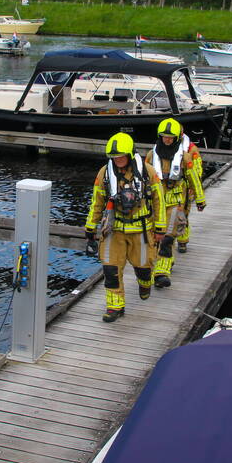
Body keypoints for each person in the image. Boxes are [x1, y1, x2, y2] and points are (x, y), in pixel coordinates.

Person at [85, 132, 166, 322]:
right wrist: (90, 227)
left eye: (121, 155)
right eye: (114, 157)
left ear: (130, 153)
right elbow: (97, 203)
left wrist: (160, 228)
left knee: (144, 267)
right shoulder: (104, 174)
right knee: (110, 270)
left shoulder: (148, 172)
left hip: (142, 231)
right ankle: (115, 307)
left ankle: (145, 283)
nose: (118, 160)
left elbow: (158, 201)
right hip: (114, 231)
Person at [146, 119, 206, 288]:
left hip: (176, 201)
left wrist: (200, 199)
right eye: (164, 137)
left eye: (170, 137)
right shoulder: (152, 156)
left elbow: (194, 177)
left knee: (167, 238)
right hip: (157, 203)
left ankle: (161, 273)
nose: (167, 140)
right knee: (155, 237)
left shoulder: (185, 156)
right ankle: (164, 263)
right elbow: (144, 179)